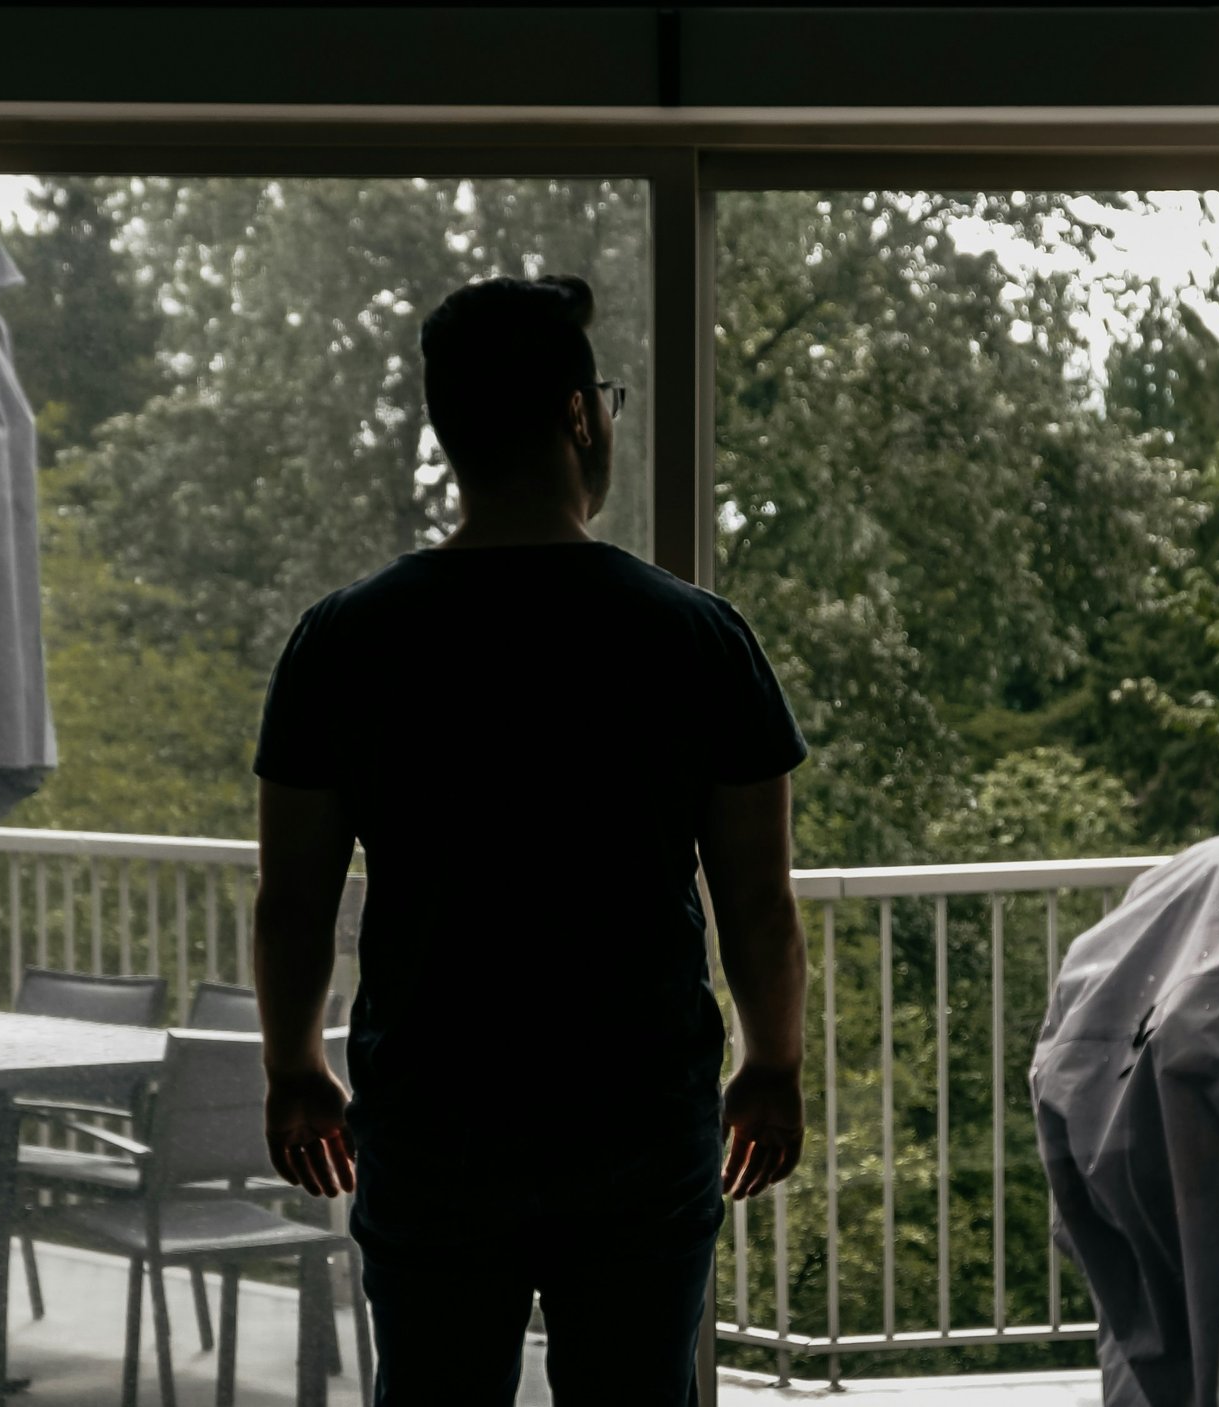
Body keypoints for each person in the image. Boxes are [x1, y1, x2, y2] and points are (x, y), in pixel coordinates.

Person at [251, 273, 811, 1405]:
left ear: (449, 427)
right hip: (636, 1116)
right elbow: (756, 900)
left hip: (435, 1116)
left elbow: (293, 901)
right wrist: (772, 1065)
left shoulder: (345, 642)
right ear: (578, 416)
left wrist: (296, 1070)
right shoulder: (696, 638)